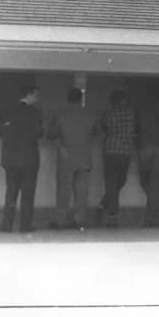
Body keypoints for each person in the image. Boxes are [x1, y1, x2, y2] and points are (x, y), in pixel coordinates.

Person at [46, 88, 99, 231]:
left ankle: (61, 222)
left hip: (66, 157)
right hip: (85, 157)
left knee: (64, 190)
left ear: (68, 98)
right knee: (82, 192)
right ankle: (80, 222)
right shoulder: (90, 114)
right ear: (80, 98)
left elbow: (51, 134)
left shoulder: (60, 114)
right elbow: (97, 133)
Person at [0, 85, 43, 234]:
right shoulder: (35, 113)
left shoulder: (7, 110)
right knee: (27, 194)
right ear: (29, 95)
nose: (37, 99)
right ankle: (25, 226)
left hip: (10, 158)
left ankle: (7, 225)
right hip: (29, 159)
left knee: (11, 193)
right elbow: (39, 133)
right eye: (36, 95)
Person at [96, 91, 138, 228]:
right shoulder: (131, 114)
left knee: (111, 184)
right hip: (125, 152)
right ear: (123, 100)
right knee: (120, 181)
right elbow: (136, 130)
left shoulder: (107, 114)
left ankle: (109, 211)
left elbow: (101, 130)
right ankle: (107, 207)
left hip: (110, 151)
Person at [136, 91, 159, 226]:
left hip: (145, 147)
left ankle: (154, 213)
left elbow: (137, 127)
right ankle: (154, 213)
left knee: (145, 180)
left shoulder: (141, 110)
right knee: (155, 183)